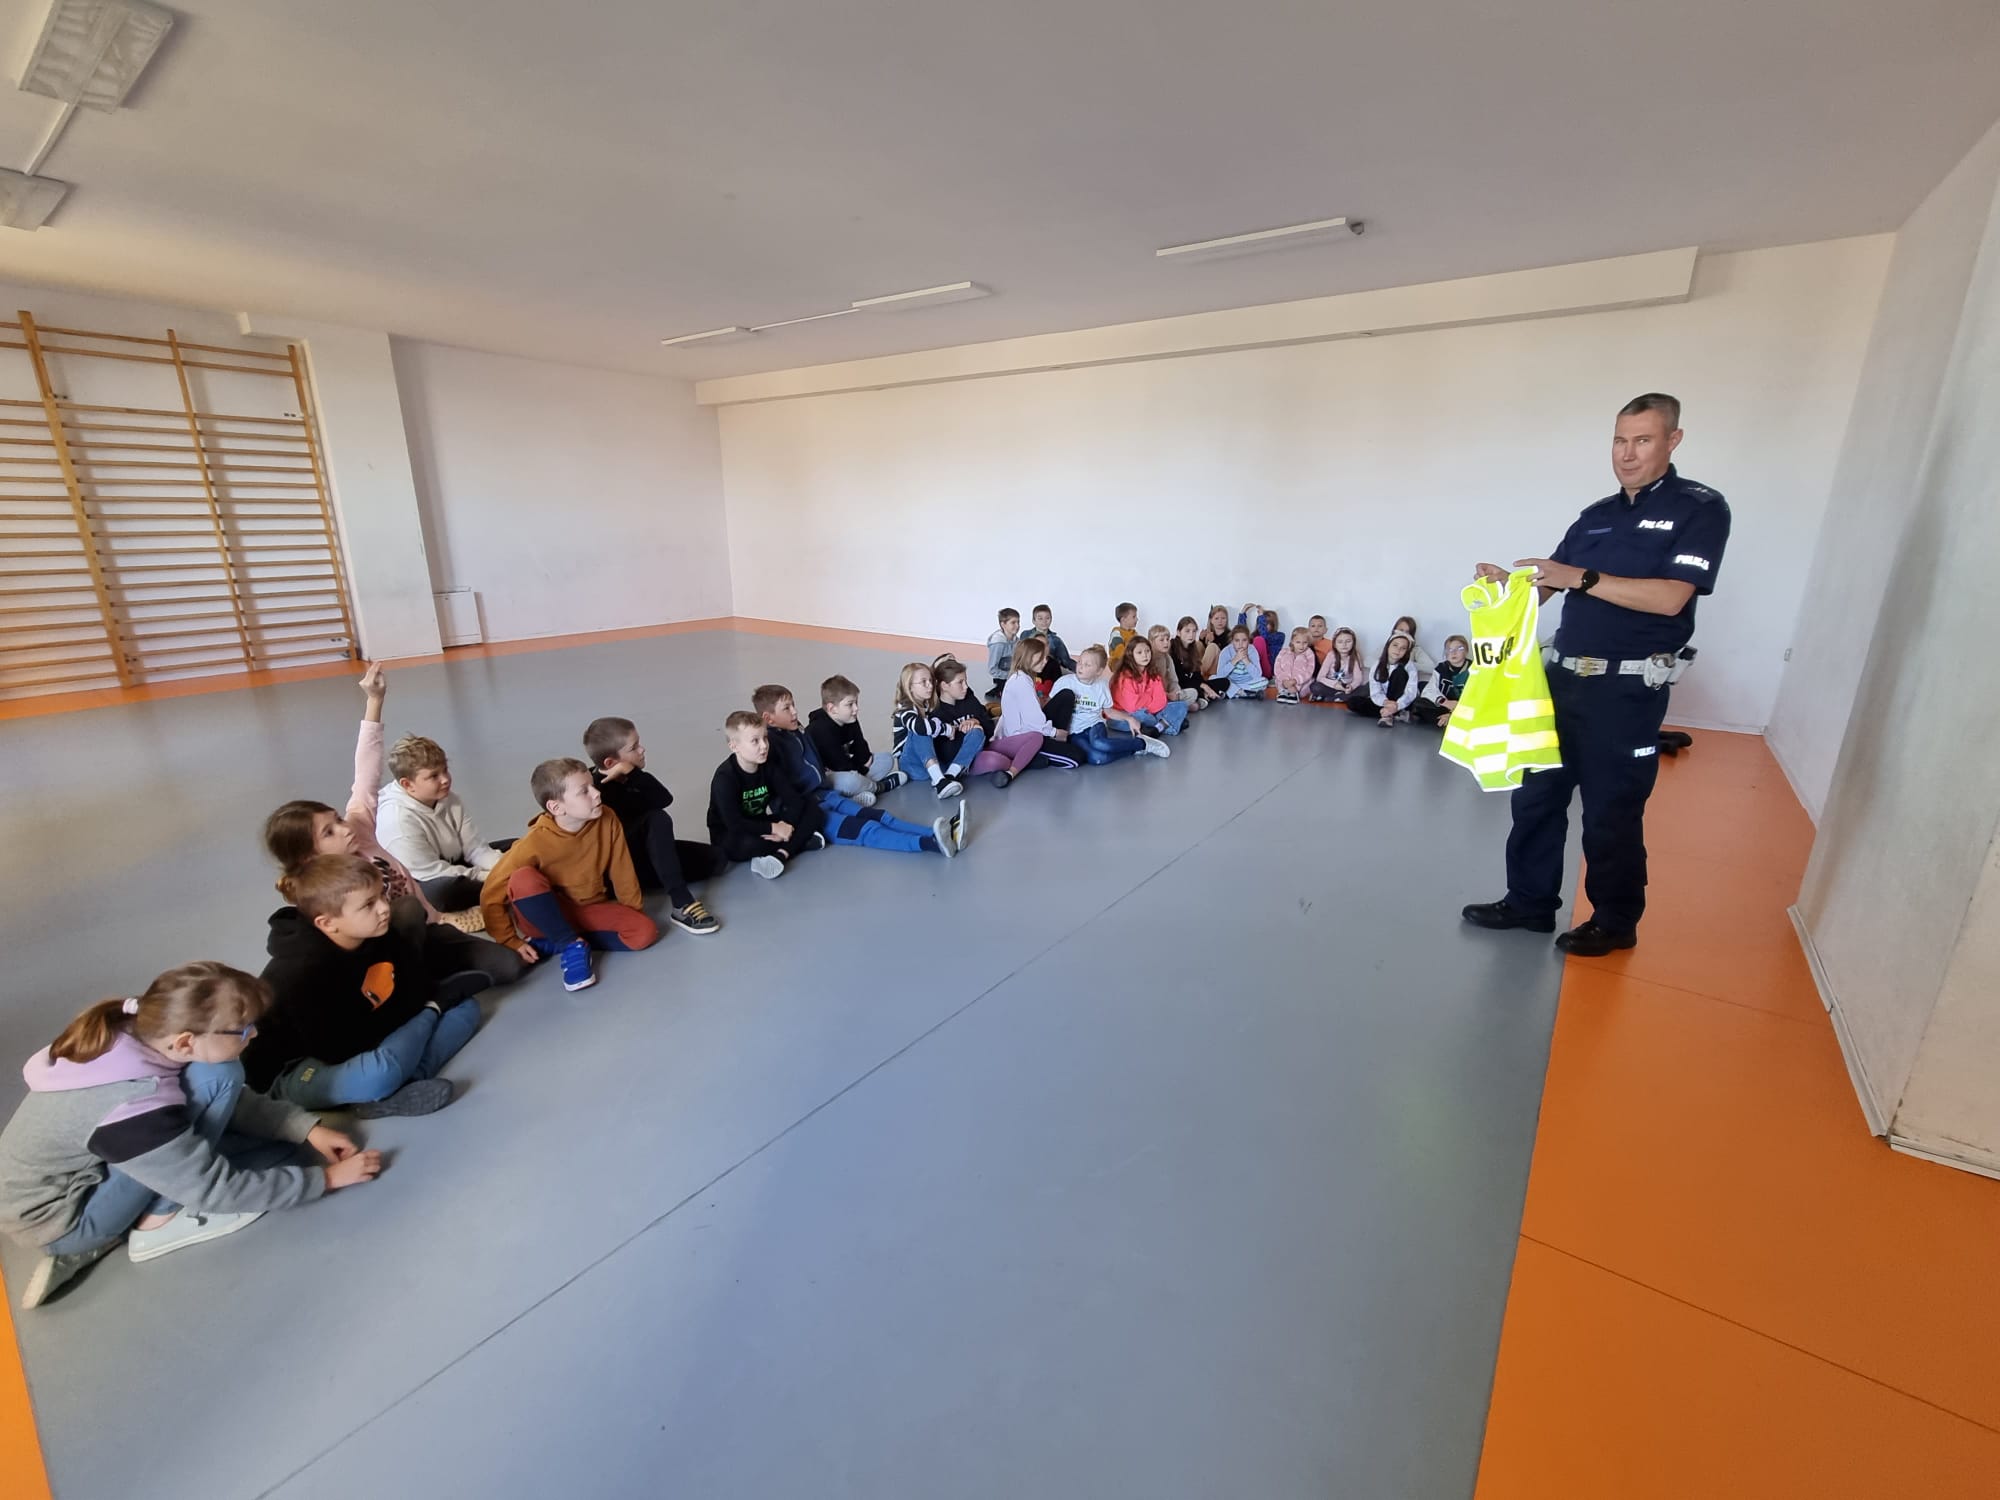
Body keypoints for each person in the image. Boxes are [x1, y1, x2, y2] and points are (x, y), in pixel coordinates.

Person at [1463, 392, 1731, 956]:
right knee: (1536, 798)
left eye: (1643, 440)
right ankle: (1530, 902)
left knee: (1611, 810)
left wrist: (1580, 577)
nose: (1627, 454)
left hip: (1627, 690)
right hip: (1560, 681)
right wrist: (1507, 588)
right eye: (1619, 440)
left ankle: (1614, 919)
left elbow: (1670, 598)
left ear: (1673, 440)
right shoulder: (1595, 517)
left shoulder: (1699, 508)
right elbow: (1548, 586)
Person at [0, 961, 381, 1310]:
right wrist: (325, 1180)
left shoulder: (139, 1031)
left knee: (228, 1088)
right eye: (243, 1029)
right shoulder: (133, 1105)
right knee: (227, 1109)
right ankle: (157, 1221)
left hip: (90, 1169)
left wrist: (303, 1128)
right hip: (66, 1220)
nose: (254, 1034)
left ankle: (145, 1204)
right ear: (185, 1042)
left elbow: (221, 1093)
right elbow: (214, 1190)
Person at [262, 663, 523, 989]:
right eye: (329, 832)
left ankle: (439, 951)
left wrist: (374, 701)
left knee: (509, 967)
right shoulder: (324, 892)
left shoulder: (360, 830)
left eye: (337, 820)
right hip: (387, 955)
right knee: (409, 910)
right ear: (308, 857)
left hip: (427, 928)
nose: (344, 828)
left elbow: (366, 771)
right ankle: (425, 981)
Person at [250, 855, 482, 1117]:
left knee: (467, 1009)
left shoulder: (377, 931)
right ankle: (384, 1084)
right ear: (327, 923)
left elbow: (414, 985)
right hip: (298, 1067)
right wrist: (429, 1011)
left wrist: (413, 1013)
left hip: (368, 1035)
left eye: (382, 895)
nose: (384, 908)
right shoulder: (298, 975)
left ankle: (387, 1092)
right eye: (368, 904)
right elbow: (337, 1051)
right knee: (381, 1073)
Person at [478, 758, 660, 992]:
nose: (596, 793)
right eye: (584, 791)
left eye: (592, 785)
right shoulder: (534, 842)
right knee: (522, 879)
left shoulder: (607, 818)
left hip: (587, 909)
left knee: (644, 932)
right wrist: (509, 940)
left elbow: (621, 868)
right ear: (556, 807)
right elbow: (491, 893)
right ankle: (570, 945)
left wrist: (632, 911)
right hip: (544, 916)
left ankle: (555, 942)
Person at [756, 684, 962, 856]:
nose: (794, 711)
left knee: (881, 816)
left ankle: (939, 832)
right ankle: (930, 844)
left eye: (793, 705)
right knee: (867, 831)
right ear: (768, 718)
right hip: (810, 810)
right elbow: (781, 793)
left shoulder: (796, 731)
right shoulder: (770, 747)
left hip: (825, 794)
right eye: (786, 708)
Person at [583, 716, 722, 936]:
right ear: (610, 763)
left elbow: (664, 798)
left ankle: (655, 876)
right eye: (634, 748)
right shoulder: (594, 792)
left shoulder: (632, 777)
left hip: (648, 854)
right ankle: (681, 903)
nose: (642, 749)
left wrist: (632, 773)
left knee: (716, 859)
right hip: (619, 865)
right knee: (657, 819)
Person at [376, 733, 511, 914]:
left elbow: (475, 848)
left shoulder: (448, 798)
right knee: (444, 892)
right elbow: (432, 872)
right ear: (407, 784)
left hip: (453, 864)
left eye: (445, 770)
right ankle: (508, 888)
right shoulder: (397, 820)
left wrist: (504, 866)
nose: (445, 779)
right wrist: (487, 876)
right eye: (434, 776)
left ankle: (506, 887)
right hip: (424, 880)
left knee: (518, 846)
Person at [708, 712, 820, 878]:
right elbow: (734, 823)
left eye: (765, 738)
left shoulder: (768, 766)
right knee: (747, 845)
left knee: (813, 807)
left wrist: (786, 825)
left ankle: (781, 854)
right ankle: (799, 841)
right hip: (731, 833)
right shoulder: (725, 778)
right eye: (755, 741)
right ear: (734, 746)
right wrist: (774, 828)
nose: (764, 746)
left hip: (758, 822)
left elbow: (794, 801)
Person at [1053, 645, 1172, 765]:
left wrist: (1129, 718)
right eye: (1080, 662)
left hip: (1094, 725)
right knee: (1097, 758)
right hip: (1074, 732)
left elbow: (1109, 712)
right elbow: (1051, 706)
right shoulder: (1064, 682)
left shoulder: (1101, 686)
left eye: (1087, 665)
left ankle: (1143, 744)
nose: (1081, 666)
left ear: (1099, 671)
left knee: (1100, 743)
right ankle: (1136, 748)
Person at [935, 656, 1043, 787]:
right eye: (960, 682)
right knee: (993, 761)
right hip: (969, 759)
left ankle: (1015, 768)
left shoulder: (968, 698)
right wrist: (967, 731)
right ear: (944, 686)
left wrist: (976, 721)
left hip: (986, 744)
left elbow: (989, 726)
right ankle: (1022, 762)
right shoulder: (937, 714)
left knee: (1036, 737)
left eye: (966, 681)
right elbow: (945, 754)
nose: (966, 686)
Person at [996, 637, 1084, 770]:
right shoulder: (1021, 682)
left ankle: (1055, 742)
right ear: (1028, 658)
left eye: (1046, 657)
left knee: (1067, 695)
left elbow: (1033, 715)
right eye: (1041, 658)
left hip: (1034, 728)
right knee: (1077, 758)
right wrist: (1055, 733)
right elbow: (1032, 723)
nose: (1045, 661)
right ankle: (1029, 756)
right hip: (1026, 738)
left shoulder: (1025, 677)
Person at [892, 661, 974, 798]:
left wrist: (969, 724)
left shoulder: (927, 707)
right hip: (911, 766)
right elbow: (921, 728)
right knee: (921, 729)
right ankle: (939, 782)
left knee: (976, 732)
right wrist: (947, 729)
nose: (930, 685)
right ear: (909, 687)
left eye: (930, 681)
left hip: (929, 766)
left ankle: (951, 775)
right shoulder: (905, 709)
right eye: (923, 682)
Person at [1352, 632, 1422, 723]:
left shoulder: (1409, 667)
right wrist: (1386, 702)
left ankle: (1390, 713)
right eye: (1395, 645)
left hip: (1401, 702)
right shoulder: (1377, 665)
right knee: (1354, 702)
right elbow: (1375, 691)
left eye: (1403, 648)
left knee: (1399, 672)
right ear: (1388, 646)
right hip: (1385, 701)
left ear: (1406, 651)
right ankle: (1393, 713)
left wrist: (1397, 705)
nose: (1398, 650)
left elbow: (1410, 693)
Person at [1410, 635, 1471, 727]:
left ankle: (1450, 719)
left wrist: (1453, 712)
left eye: (1459, 648)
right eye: (1449, 649)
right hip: (1444, 705)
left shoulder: (1473, 669)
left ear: (1466, 651)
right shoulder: (1441, 668)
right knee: (1418, 702)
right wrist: (1445, 702)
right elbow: (1429, 690)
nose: (1454, 652)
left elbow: (1476, 697)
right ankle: (1450, 720)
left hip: (1463, 707)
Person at [1309, 626, 1367, 704]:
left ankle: (1334, 698)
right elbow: (1320, 677)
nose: (1344, 645)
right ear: (1335, 644)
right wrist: (1335, 685)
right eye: (1340, 642)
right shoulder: (1331, 655)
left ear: (1353, 643)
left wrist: (1351, 686)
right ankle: (1340, 697)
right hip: (1332, 685)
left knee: (1365, 690)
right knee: (1315, 686)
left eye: (1348, 641)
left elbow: (1358, 679)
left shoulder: (1355, 656)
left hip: (1347, 687)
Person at [1172, 617, 1222, 706]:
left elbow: (1197, 675)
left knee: (1225, 682)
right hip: (1181, 685)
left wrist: (1204, 685)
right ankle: (1203, 695)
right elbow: (1181, 679)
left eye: (1194, 631)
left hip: (1193, 683)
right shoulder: (1173, 648)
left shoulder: (1192, 649)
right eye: (1187, 631)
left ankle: (1204, 695)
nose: (1191, 635)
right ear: (1179, 632)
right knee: (1195, 690)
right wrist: (1203, 687)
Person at [1020, 604, 1076, 682]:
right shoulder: (1025, 635)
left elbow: (1066, 661)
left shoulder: (1056, 640)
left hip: (1050, 671)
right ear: (1033, 620)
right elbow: (1020, 655)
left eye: (1047, 618)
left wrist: (1080, 668)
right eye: (1040, 618)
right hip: (1029, 670)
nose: (1044, 621)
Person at [1211, 626, 1269, 700]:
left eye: (1244, 640)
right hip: (1231, 682)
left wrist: (1246, 660)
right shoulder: (1226, 651)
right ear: (1232, 641)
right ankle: (1243, 693)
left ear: (1248, 640)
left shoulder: (1252, 650)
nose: (1240, 644)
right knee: (1213, 678)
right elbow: (1220, 675)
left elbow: (1258, 675)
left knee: (1264, 681)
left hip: (1247, 682)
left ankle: (1236, 693)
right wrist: (1235, 660)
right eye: (1237, 640)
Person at [1271, 627, 1318, 704]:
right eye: (1298, 642)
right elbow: (1277, 668)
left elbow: (1309, 671)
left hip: (1301, 684)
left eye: (1305, 642)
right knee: (1287, 657)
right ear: (1292, 641)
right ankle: (1284, 691)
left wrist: (1295, 681)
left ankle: (1295, 693)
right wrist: (1285, 681)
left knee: (1301, 659)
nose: (1301, 646)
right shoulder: (1283, 652)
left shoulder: (1309, 654)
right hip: (1284, 682)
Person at [985, 608, 1021, 702]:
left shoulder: (1017, 641)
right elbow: (992, 669)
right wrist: (1010, 675)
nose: (1017, 626)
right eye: (1013, 623)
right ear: (1003, 624)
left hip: (1013, 675)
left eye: (1018, 622)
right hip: (1002, 678)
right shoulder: (998, 643)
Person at [1389, 615, 1437, 684]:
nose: (1403, 634)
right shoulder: (1386, 647)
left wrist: (1408, 665)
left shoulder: (1415, 649)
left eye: (1407, 632)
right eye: (1401, 630)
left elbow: (1431, 667)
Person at [1198, 604, 1232, 678]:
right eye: (1216, 618)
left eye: (1223, 618)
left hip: (1219, 667)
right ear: (1211, 620)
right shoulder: (1208, 633)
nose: (1220, 621)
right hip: (1206, 668)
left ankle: (1198, 675)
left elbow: (1226, 655)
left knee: (1212, 646)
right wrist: (1201, 639)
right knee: (1198, 644)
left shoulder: (1230, 635)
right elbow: (1203, 654)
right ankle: (1192, 672)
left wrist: (1212, 642)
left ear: (1227, 620)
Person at [1107, 602, 1141, 674]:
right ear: (1123, 619)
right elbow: (1120, 652)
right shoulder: (1116, 633)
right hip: (1119, 662)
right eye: (1134, 617)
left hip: (1131, 660)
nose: (1137, 619)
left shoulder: (1134, 633)